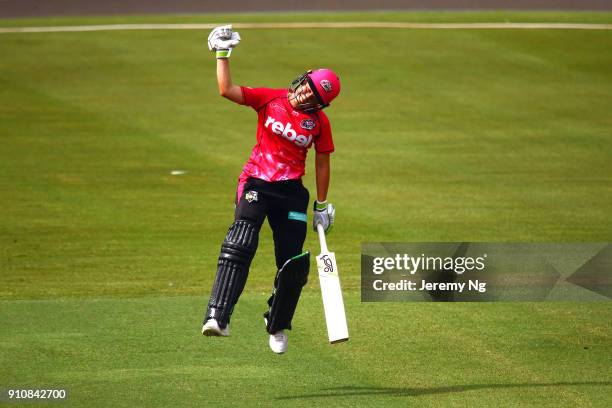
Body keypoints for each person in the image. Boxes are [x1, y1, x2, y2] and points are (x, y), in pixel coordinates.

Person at [201, 25, 340, 354]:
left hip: (291, 192)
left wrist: (321, 205)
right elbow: (227, 90)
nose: (306, 95)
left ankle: (276, 324)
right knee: (241, 241)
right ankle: (218, 317)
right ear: (303, 79)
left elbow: (323, 162)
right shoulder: (270, 98)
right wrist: (222, 54)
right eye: (307, 88)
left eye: (315, 98)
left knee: (293, 264)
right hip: (256, 183)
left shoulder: (319, 124)